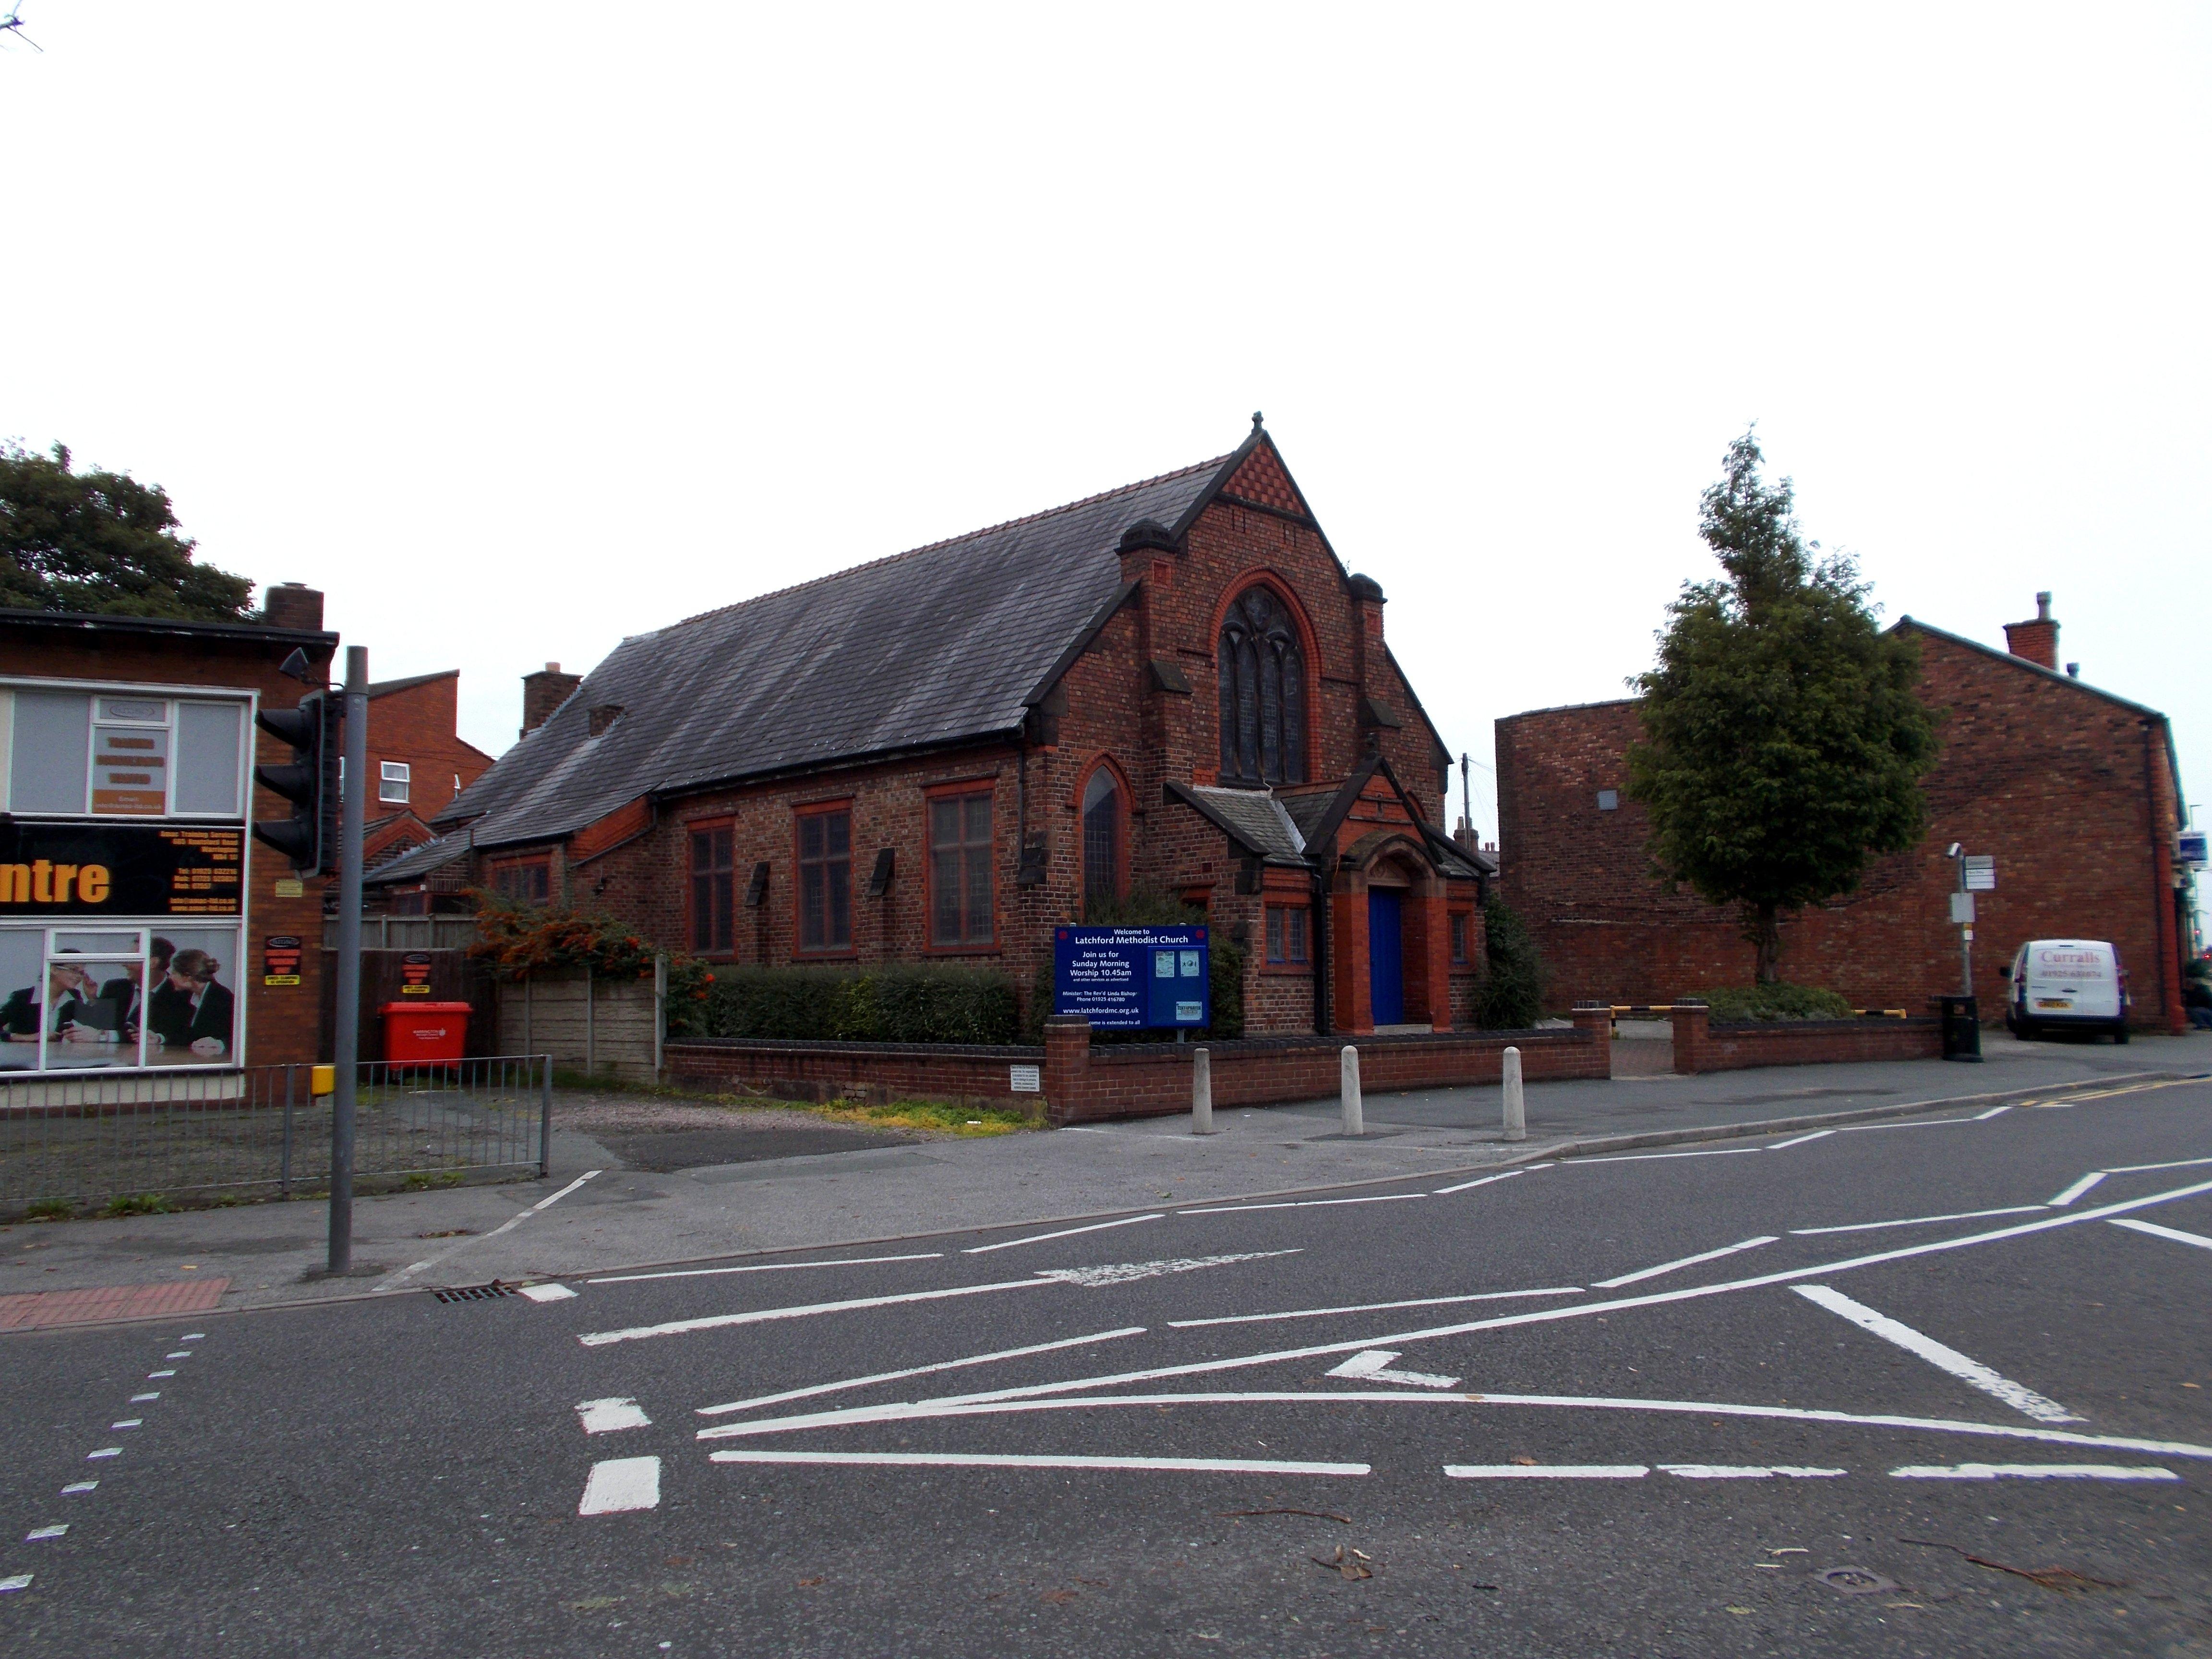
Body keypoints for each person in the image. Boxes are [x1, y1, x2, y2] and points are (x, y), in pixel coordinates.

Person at [147, 949, 233, 1058]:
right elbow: (183, 1033)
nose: (170, 977)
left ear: (187, 977)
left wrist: (219, 1044)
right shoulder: (183, 996)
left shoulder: (222, 998)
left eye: (174, 973)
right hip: (188, 1058)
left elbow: (237, 1036)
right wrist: (159, 1038)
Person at [94, 937, 172, 1045]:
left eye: (133, 958)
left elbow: (167, 1035)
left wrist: (105, 1036)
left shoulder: (178, 995)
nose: (124, 964)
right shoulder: (114, 988)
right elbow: (95, 1027)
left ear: (153, 963)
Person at [1, 961, 95, 1042]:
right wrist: (25, 1038)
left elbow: (97, 1025)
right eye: (74, 970)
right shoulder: (23, 998)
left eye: (81, 973)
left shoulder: (73, 998)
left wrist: (92, 997)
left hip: (56, 1057)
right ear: (54, 970)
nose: (78, 977)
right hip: (23, 1057)